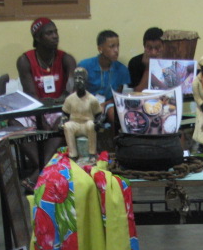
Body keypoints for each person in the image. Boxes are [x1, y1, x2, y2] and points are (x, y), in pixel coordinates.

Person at [16, 17, 76, 190]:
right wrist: (44, 109)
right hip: (36, 108)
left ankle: (38, 173)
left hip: (59, 109)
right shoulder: (25, 60)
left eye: (56, 32)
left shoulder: (67, 59)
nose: (55, 36)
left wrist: (56, 102)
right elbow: (31, 96)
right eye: (49, 33)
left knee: (64, 121)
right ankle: (45, 168)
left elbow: (70, 93)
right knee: (14, 124)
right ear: (37, 38)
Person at [78, 30, 131, 124]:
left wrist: (104, 104)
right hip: (87, 103)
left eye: (118, 46)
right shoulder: (85, 66)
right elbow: (78, 93)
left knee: (113, 112)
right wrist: (93, 105)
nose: (116, 50)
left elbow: (117, 96)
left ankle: (116, 138)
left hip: (108, 104)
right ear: (100, 49)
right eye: (112, 46)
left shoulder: (122, 69)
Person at [59, 67, 102, 162]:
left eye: (81, 79)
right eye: (76, 79)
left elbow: (99, 114)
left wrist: (98, 122)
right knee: (67, 126)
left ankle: (92, 154)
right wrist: (62, 122)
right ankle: (73, 155)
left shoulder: (92, 99)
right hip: (75, 124)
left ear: (86, 81)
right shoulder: (70, 99)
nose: (78, 81)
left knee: (91, 125)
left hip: (87, 125)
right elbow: (65, 114)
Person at [128, 27, 164, 92]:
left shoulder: (170, 60)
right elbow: (137, 92)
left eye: (157, 48)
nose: (153, 53)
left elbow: (170, 91)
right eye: (149, 48)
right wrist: (148, 68)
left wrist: (160, 64)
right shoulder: (134, 62)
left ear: (164, 46)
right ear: (144, 47)